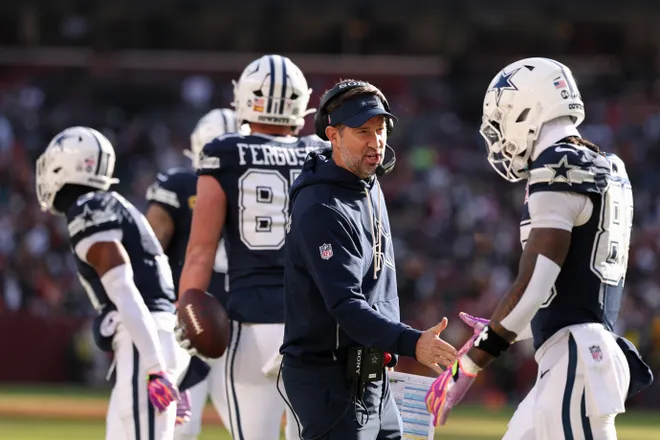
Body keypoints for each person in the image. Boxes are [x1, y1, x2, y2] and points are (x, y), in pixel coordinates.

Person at [425, 57, 653, 439]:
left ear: (526, 108)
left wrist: (469, 365)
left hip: (577, 359)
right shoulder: (608, 163)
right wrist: (513, 323)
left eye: (501, 122)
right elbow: (577, 287)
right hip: (575, 357)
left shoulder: (559, 163)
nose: (499, 137)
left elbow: (536, 286)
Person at [280, 79, 458, 440]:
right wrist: (411, 343)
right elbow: (345, 306)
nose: (376, 141)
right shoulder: (321, 207)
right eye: (362, 131)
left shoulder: (367, 182)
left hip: (372, 375)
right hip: (328, 379)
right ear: (333, 135)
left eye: (380, 130)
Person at [176, 54, 322, 440]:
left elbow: (200, 251)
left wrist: (186, 306)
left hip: (254, 322)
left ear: (243, 99)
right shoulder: (323, 153)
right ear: (300, 101)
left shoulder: (223, 153)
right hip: (318, 324)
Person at [35, 126, 191, 439]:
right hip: (155, 336)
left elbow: (124, 288)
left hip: (145, 340)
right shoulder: (111, 205)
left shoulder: (89, 208)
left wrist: (155, 367)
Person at [145, 108, 237, 440]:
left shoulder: (183, 184)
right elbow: (152, 246)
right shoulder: (185, 185)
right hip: (195, 325)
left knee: (252, 425)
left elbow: (148, 252)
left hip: (227, 323)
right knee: (183, 427)